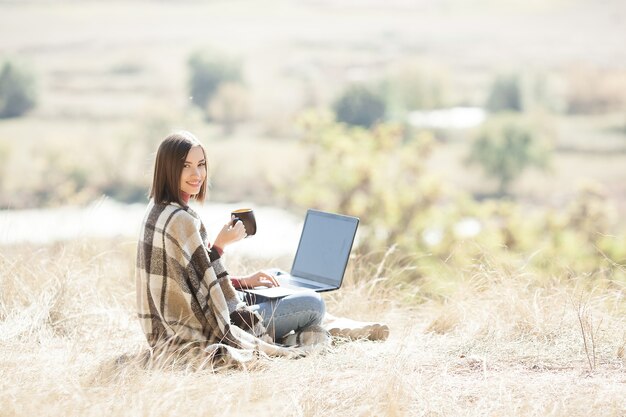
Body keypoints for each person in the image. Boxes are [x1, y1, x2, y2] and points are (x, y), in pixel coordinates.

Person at [135, 131, 328, 365]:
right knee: (314, 304)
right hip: (212, 324)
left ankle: (293, 317)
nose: (197, 174)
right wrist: (220, 246)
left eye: (201, 164)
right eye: (186, 166)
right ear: (168, 168)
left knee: (277, 276)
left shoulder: (157, 209)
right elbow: (204, 290)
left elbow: (191, 280)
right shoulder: (181, 220)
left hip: (193, 317)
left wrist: (245, 281)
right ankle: (298, 335)